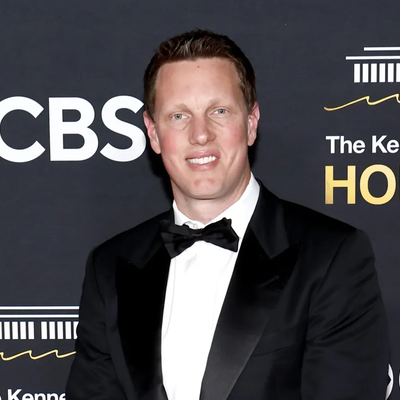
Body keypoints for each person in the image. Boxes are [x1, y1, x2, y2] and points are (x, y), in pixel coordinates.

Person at [66, 29, 389, 400]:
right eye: (178, 116)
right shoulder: (110, 267)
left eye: (218, 111)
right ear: (153, 134)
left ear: (251, 123)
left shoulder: (331, 257)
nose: (200, 134)